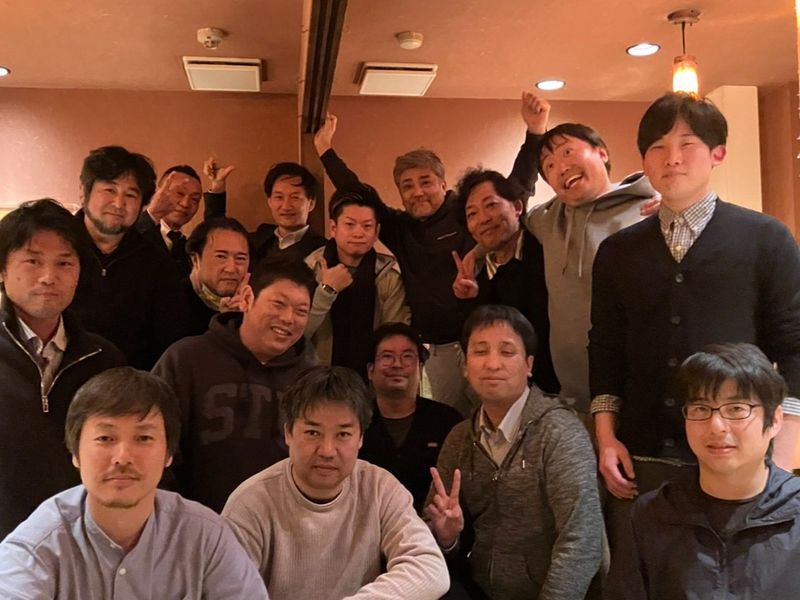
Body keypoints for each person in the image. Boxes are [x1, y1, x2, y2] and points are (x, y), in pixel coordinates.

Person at [589, 92, 800, 547]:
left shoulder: (766, 239)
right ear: (644, 160)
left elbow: (794, 347)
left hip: (738, 452)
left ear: (717, 153)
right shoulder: (618, 251)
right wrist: (606, 438)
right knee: (643, 570)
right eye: (657, 147)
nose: (672, 158)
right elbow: (605, 348)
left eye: (687, 144)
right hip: (642, 453)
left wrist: (782, 459)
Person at [314, 92, 549, 411]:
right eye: (407, 186)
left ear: (442, 183)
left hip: (487, 340)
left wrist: (535, 132)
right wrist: (325, 150)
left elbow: (515, 188)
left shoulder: (468, 213)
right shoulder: (400, 228)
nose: (418, 192)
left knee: (507, 414)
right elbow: (359, 192)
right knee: (454, 421)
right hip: (439, 350)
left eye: (425, 182)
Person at [0, 367, 268, 599]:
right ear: (75, 453)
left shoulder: (205, 536)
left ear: (169, 454)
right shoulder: (37, 546)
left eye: (143, 438)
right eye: (105, 438)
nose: (123, 457)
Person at [222, 365, 450, 600]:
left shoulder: (379, 488)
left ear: (360, 438)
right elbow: (226, 591)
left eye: (343, 434)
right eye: (313, 433)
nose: (327, 451)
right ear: (288, 433)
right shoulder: (250, 503)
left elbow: (430, 567)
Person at [426, 305, 604, 599]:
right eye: (480, 352)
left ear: (529, 364)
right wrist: (447, 539)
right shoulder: (460, 438)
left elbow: (582, 540)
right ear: (465, 365)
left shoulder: (559, 431)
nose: (492, 364)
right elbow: (429, 532)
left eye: (507, 352)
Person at [604, 343, 800, 599]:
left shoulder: (794, 511)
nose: (716, 426)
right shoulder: (652, 514)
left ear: (774, 420)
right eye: (701, 409)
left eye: (736, 409)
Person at [0, 199, 125, 540]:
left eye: (64, 263)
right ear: (3, 270)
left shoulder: (104, 359)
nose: (48, 277)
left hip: (83, 543)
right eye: (33, 261)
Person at [152, 259, 317, 512]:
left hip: (280, 525)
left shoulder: (312, 380)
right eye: (278, 304)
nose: (288, 318)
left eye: (301, 311)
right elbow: (153, 446)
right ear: (248, 298)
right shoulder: (186, 359)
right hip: (193, 522)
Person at [525, 122, 656, 415]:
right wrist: (477, 253)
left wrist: (676, 204)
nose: (561, 167)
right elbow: (509, 210)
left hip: (637, 392)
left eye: (568, 152)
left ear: (602, 153)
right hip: (573, 398)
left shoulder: (650, 211)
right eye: (549, 166)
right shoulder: (546, 220)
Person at [69, 145, 189, 369]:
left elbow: (169, 343)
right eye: (109, 190)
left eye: (131, 195)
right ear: (84, 191)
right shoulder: (56, 247)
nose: (119, 204)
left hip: (127, 384)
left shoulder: (156, 263)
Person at [453, 167, 560, 394]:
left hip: (564, 386)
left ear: (517, 207)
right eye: (472, 214)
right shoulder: (480, 274)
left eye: (491, 205)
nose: (483, 219)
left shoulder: (547, 249)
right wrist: (469, 300)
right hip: (515, 393)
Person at [304, 182, 410, 379]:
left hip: (371, 381)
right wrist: (326, 290)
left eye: (367, 226)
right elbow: (297, 334)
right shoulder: (309, 270)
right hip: (316, 380)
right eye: (350, 224)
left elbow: (394, 337)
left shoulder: (388, 278)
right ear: (333, 228)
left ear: (376, 232)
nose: (359, 233)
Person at [360, 322, 463, 513]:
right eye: (387, 356)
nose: (397, 364)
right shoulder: (354, 421)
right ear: (370, 370)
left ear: (420, 368)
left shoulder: (448, 422)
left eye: (407, 356)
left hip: (432, 527)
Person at [205, 160, 325, 265]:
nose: (286, 206)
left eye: (295, 197)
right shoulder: (258, 240)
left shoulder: (322, 250)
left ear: (311, 204)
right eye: (279, 197)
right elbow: (217, 234)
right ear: (270, 202)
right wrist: (218, 186)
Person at [183, 217, 250, 336]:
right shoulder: (173, 299)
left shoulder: (255, 300)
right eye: (221, 257)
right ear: (195, 260)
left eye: (240, 258)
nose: (231, 268)